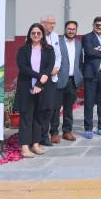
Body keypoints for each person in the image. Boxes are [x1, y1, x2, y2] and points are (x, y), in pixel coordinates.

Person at [16, 23, 55, 158]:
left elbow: (49, 67)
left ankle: (35, 144)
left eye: (39, 33)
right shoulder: (23, 50)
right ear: (29, 35)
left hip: (42, 88)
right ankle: (25, 147)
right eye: (33, 33)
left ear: (42, 35)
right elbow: (23, 68)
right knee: (26, 117)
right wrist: (39, 77)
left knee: (39, 117)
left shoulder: (49, 49)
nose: (36, 35)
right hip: (26, 87)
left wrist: (39, 84)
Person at [51, 20, 83, 143]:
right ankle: (54, 132)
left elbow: (80, 61)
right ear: (65, 29)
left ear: (76, 30)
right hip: (59, 79)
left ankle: (67, 131)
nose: (71, 31)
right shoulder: (57, 42)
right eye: (69, 29)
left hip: (72, 80)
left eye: (73, 29)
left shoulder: (79, 44)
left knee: (69, 108)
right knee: (56, 108)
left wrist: (79, 75)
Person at [39, 14, 61, 146]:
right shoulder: (37, 35)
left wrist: (56, 68)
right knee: (42, 107)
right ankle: (41, 135)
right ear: (42, 23)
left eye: (54, 23)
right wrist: (48, 70)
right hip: (42, 77)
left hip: (53, 77)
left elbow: (58, 55)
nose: (52, 25)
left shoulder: (55, 36)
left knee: (51, 107)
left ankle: (47, 134)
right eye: (50, 23)